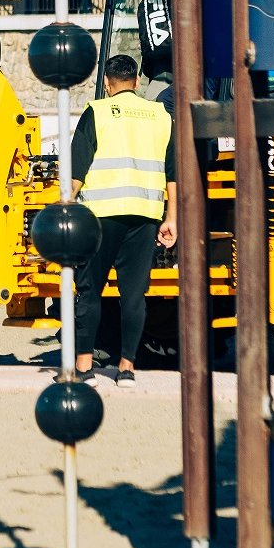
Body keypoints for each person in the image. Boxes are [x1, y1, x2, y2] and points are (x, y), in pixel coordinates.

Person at [69, 55, 177, 387]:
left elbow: (77, 169)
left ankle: (84, 368)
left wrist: (65, 209)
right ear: (137, 81)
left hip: (101, 217)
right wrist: (170, 217)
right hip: (144, 216)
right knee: (134, 295)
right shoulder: (160, 115)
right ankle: (127, 368)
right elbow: (172, 172)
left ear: (107, 83)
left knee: (90, 291)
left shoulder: (97, 112)